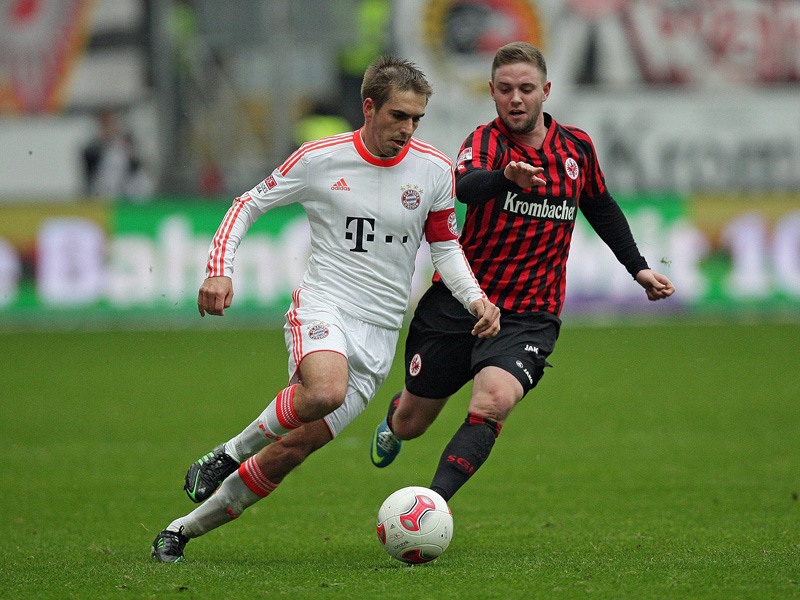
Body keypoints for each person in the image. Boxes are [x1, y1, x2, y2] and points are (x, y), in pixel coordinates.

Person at [150, 55, 501, 562]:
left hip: (379, 337)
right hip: (325, 305)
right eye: (398, 115)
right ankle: (226, 454)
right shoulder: (319, 158)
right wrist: (219, 268)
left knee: (288, 453)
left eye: (416, 118)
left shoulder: (433, 170)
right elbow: (248, 204)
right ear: (369, 107)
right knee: (324, 390)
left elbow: (444, 248)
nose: (408, 128)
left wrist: (475, 300)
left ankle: (179, 532)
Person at [368, 42, 675, 505]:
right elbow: (466, 188)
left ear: (545, 91)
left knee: (492, 402)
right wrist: (506, 178)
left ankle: (430, 507)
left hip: (529, 314)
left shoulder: (576, 148)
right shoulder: (484, 143)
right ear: (492, 92)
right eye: (506, 89)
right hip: (463, 304)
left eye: (526, 89)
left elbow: (601, 207)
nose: (516, 98)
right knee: (413, 422)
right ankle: (394, 422)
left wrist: (639, 268)